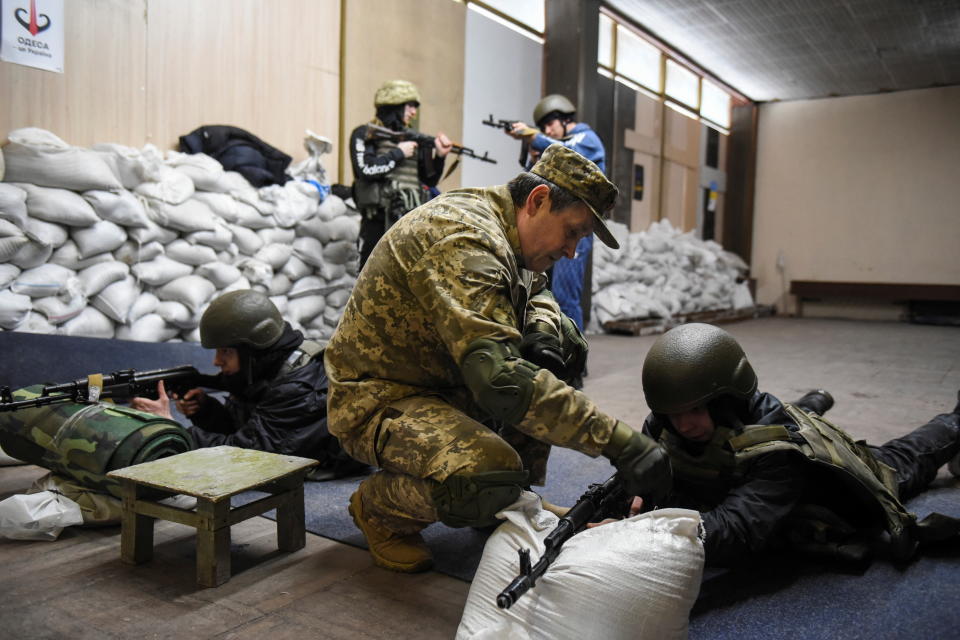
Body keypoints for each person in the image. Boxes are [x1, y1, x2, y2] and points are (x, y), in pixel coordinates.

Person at [324, 144, 672, 573]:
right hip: (380, 397)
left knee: (554, 348)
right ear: (538, 200)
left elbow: (538, 288)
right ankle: (379, 510)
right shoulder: (463, 239)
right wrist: (621, 443)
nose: (571, 251)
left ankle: (511, 498)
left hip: (444, 383)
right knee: (489, 467)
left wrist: (544, 329)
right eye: (573, 232)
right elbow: (500, 381)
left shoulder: (511, 228)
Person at [605, 322, 960, 567]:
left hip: (829, 492)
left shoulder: (776, 445)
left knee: (906, 457)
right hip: (746, 467)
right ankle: (812, 402)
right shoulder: (665, 423)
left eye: (697, 408)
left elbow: (738, 529)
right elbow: (638, 478)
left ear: (727, 399)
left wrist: (648, 536)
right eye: (673, 413)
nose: (683, 424)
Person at [130, 289, 367, 480]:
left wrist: (170, 429)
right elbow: (246, 428)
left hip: (333, 468)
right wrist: (206, 411)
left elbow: (245, 457)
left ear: (253, 351)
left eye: (226, 351)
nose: (216, 361)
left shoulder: (298, 387)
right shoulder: (266, 369)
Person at [506, 95, 607, 383]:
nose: (548, 130)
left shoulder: (586, 137)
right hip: (553, 224)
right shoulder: (554, 142)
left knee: (566, 292)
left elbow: (567, 155)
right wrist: (529, 144)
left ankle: (576, 358)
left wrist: (533, 136)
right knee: (541, 290)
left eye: (551, 124)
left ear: (565, 118)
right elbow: (531, 174)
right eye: (543, 126)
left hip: (576, 225)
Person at [350, 79, 454, 268]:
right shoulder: (365, 133)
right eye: (410, 106)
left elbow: (428, 180)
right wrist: (398, 153)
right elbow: (365, 170)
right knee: (370, 274)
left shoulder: (414, 138)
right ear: (394, 105)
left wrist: (439, 156)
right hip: (377, 222)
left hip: (409, 220)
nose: (414, 112)